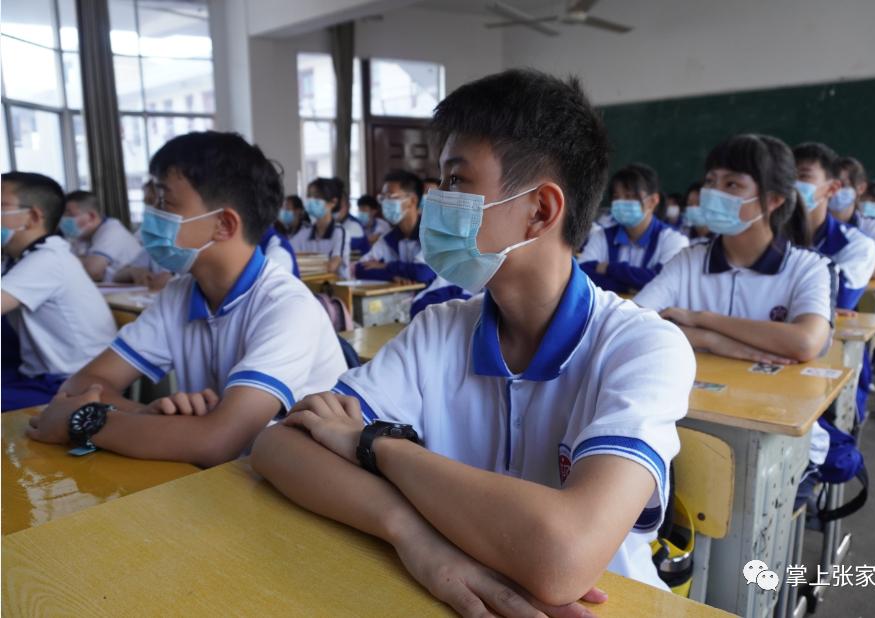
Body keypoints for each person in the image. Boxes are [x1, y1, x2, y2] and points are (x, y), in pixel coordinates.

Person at [251, 69, 694, 616]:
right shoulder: (441, 330)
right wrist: (415, 538)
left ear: (541, 210)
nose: (436, 201)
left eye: (457, 182)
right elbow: (279, 446)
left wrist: (377, 446)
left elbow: (563, 559)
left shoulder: (644, 347)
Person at [26, 131, 347, 466]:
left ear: (223, 224)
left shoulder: (287, 307)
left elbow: (219, 441)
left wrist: (83, 423)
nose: (151, 214)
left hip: (292, 487)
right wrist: (148, 416)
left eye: (165, 203)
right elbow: (83, 383)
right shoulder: (180, 293)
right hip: (221, 479)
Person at [636, 133, 834, 366]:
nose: (713, 194)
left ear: (773, 200)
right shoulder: (690, 259)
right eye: (710, 182)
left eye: (732, 184)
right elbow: (633, 323)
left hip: (772, 400)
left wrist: (702, 319)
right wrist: (708, 339)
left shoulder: (810, 267)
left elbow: (805, 343)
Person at [1, 172, 116, 411]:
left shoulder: (48, 259)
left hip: (71, 387)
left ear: (32, 216)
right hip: (37, 376)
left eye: (1, 205)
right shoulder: (16, 259)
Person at [578, 163, 688, 293]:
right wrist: (628, 287)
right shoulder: (602, 236)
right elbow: (583, 274)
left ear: (653, 201)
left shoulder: (674, 240)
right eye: (616, 197)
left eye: (630, 196)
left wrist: (609, 268)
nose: (621, 202)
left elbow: (663, 282)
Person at [794, 142, 875, 309]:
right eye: (788, 177)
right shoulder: (767, 234)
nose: (793, 185)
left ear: (832, 188)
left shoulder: (857, 244)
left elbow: (839, 300)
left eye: (803, 176)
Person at [355, 170, 436, 287]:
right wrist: (393, 276)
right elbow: (360, 268)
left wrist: (386, 266)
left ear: (412, 201)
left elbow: (423, 272)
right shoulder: (389, 238)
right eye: (382, 198)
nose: (385, 203)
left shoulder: (431, 235)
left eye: (390, 197)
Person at [61, 190, 142, 282]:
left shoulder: (113, 230)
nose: (64, 220)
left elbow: (92, 270)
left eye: (70, 215)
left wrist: (75, 261)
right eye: (63, 215)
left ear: (92, 216)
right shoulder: (82, 237)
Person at [829, 156, 875, 280]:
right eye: (831, 184)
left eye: (842, 185)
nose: (835, 189)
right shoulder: (814, 222)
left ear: (861, 188)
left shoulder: (871, 225)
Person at [301, 178, 351, 279]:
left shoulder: (339, 232)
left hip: (336, 288)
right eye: (309, 196)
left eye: (317, 197)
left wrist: (304, 265)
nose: (311, 200)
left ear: (333, 202)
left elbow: (332, 266)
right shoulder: (305, 232)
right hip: (311, 286)